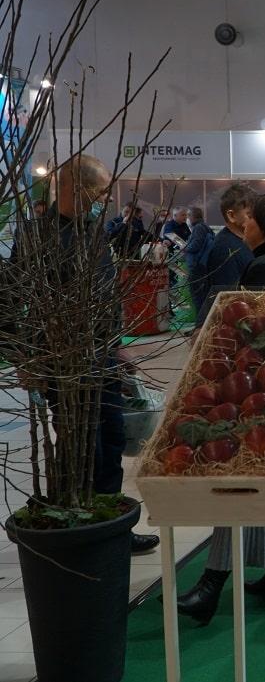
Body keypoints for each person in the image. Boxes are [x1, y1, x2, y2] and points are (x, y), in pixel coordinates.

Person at [177, 193, 265, 625]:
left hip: (262, 393)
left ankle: (211, 585)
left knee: (240, 489)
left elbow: (255, 335)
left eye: (251, 218)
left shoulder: (264, 267)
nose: (244, 224)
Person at [23, 156, 160, 554]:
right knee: (84, 447)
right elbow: (17, 299)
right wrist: (28, 359)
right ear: (74, 187)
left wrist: (117, 345)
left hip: (103, 359)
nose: (105, 200)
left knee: (113, 440)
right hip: (64, 363)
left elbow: (106, 295)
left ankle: (113, 526)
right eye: (100, 192)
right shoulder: (39, 236)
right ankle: (81, 525)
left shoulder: (94, 232)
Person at [195, 184, 256, 327]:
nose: (255, 219)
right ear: (232, 215)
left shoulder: (240, 241)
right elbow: (227, 297)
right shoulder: (224, 248)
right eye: (249, 215)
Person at [182, 206, 214, 320]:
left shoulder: (199, 227)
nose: (187, 218)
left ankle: (200, 323)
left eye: (188, 215)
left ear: (192, 216)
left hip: (196, 267)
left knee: (197, 296)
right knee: (201, 296)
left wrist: (185, 248)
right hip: (201, 267)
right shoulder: (205, 227)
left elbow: (196, 245)